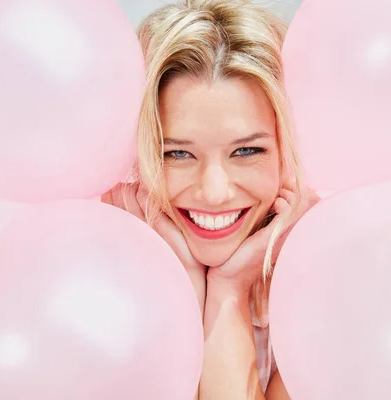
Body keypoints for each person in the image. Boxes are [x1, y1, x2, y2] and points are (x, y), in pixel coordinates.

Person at [102, 0, 320, 398]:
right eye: (177, 153)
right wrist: (181, 285)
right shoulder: (89, 270)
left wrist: (229, 291)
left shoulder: (327, 281)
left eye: (247, 151)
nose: (215, 192)